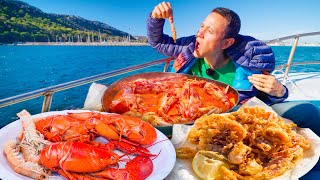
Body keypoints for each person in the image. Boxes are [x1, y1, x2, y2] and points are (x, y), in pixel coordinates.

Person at [146, 2, 320, 137]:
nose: (199, 33)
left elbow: (263, 100)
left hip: (236, 122)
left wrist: (279, 91)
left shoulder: (248, 65)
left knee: (308, 110)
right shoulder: (189, 48)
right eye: (201, 26)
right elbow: (158, 42)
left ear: (226, 43)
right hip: (188, 121)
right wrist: (156, 17)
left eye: (209, 31)